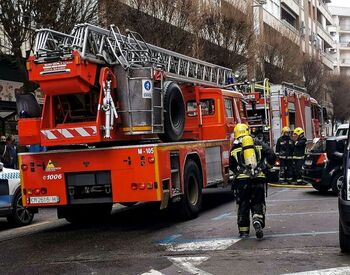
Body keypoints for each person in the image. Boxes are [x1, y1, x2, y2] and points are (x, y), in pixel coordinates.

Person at [229, 123, 276, 239]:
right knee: (258, 202)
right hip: (258, 179)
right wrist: (265, 167)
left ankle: (244, 232)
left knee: (243, 205)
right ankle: (257, 220)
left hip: (242, 182)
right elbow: (272, 155)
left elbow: (231, 166)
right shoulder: (258, 143)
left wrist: (239, 171)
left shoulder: (234, 148)